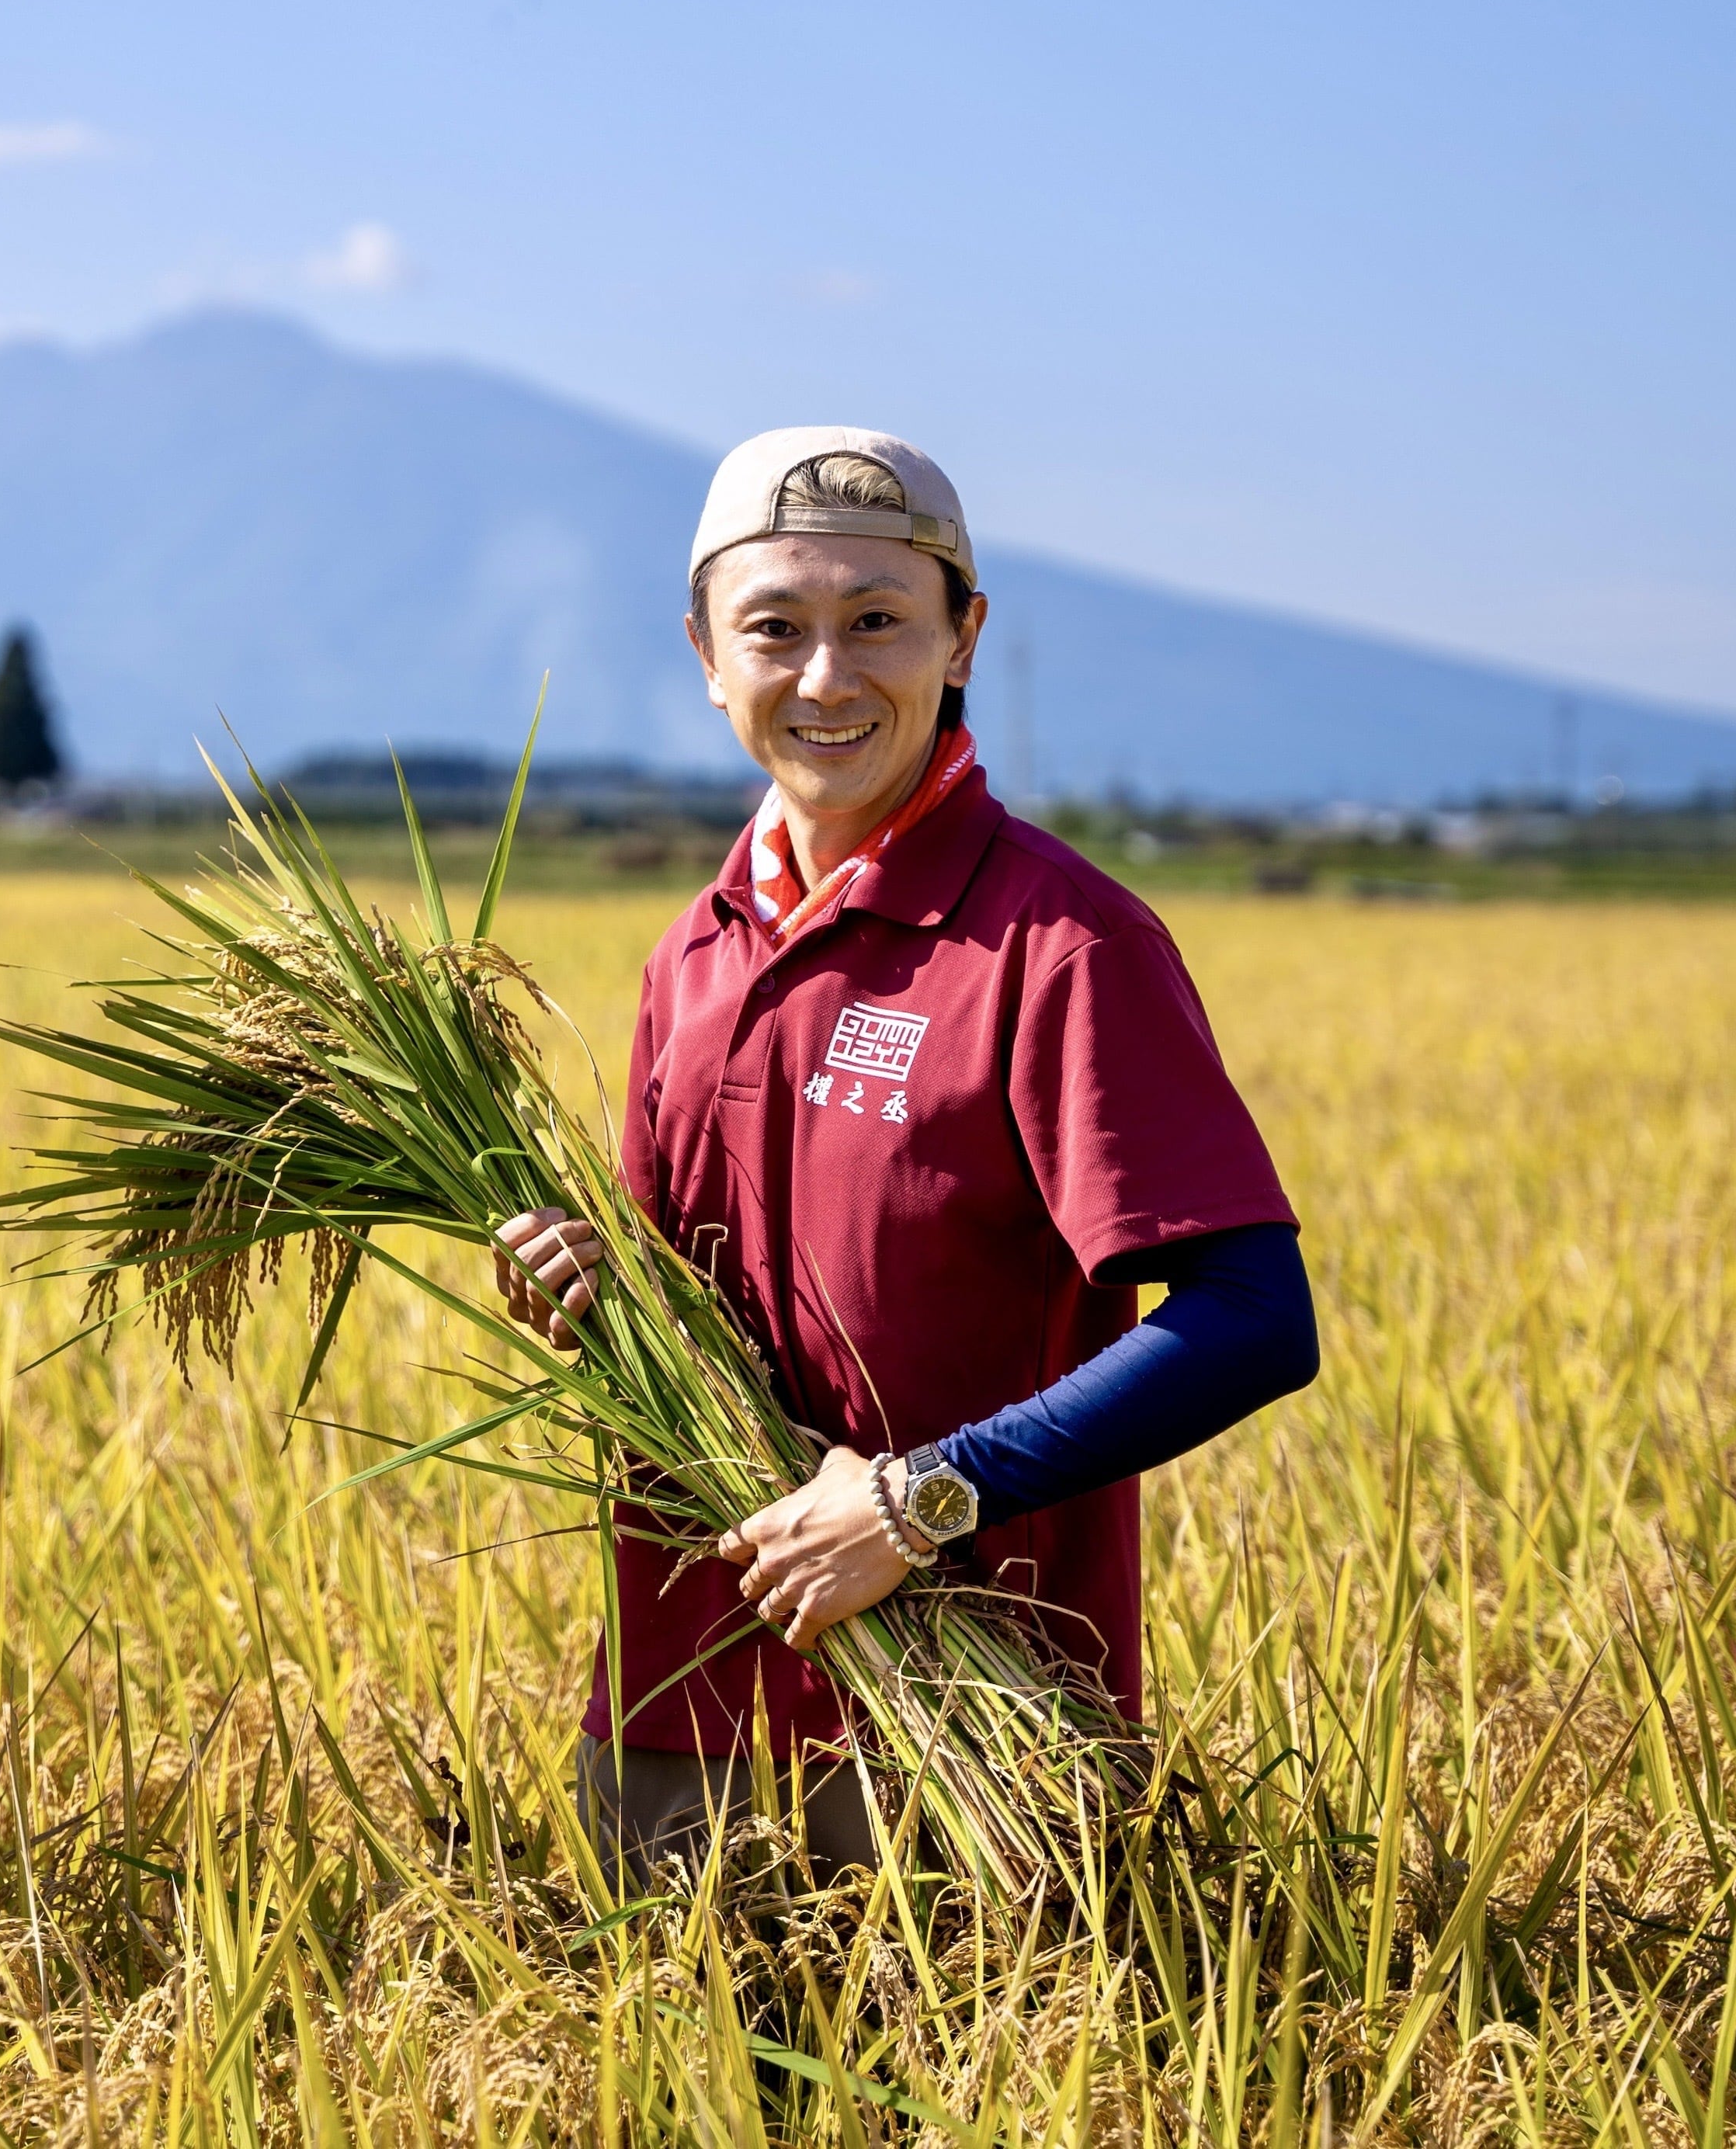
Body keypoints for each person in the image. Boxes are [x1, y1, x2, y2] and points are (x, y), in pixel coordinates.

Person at [491, 429, 1318, 1878]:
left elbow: (1255, 1319)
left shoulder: (1060, 944)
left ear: (962, 639)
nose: (826, 676)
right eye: (775, 629)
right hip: (674, 1714)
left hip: (964, 1743)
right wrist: (587, 1275)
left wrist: (919, 1498)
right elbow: (698, 1303)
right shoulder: (693, 951)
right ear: (703, 653)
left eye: (877, 621)